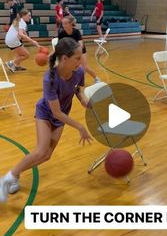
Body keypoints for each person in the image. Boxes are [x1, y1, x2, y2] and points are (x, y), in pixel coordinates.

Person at [0, 37, 92, 203]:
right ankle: (6, 179)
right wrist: (80, 126)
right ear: (64, 58)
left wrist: (83, 99)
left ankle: (15, 174)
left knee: (46, 155)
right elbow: (55, 112)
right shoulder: (49, 78)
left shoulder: (78, 72)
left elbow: (77, 89)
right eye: (77, 58)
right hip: (47, 113)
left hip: (62, 114)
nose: (81, 61)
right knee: (41, 151)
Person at [58, 15, 100, 83]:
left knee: (85, 67)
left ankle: (96, 78)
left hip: (81, 51)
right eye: (63, 24)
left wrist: (76, 53)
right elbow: (59, 46)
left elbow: (81, 45)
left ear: (71, 24)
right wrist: (51, 55)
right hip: (70, 52)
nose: (63, 25)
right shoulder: (61, 34)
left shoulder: (76, 32)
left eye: (65, 23)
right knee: (69, 67)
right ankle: (70, 82)